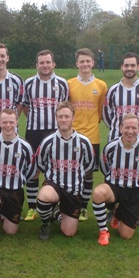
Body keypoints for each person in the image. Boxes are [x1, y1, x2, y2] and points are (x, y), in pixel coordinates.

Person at [91, 114, 139, 246]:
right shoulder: (110, 147)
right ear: (121, 128)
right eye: (127, 127)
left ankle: (118, 213)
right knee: (98, 193)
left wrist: (137, 180)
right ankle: (103, 231)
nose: (130, 131)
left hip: (134, 192)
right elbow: (105, 168)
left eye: (134, 128)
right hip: (114, 187)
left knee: (126, 235)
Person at [21, 49, 69, 222]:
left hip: (55, 133)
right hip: (34, 131)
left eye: (48, 62)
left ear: (53, 64)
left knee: (55, 169)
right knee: (33, 169)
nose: (45, 65)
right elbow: (25, 106)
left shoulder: (62, 84)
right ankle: (32, 207)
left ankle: (54, 204)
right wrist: (36, 119)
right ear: (37, 65)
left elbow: (65, 108)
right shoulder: (28, 83)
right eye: (42, 62)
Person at [35, 101, 94, 240]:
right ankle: (45, 223)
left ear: (73, 118)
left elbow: (89, 165)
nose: (63, 120)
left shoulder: (84, 142)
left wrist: (75, 174)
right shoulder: (48, 141)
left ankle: (57, 213)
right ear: (56, 118)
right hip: (54, 183)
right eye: (60, 116)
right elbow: (40, 163)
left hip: (74, 190)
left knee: (69, 232)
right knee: (44, 197)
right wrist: (51, 176)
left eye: (67, 116)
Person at [0, 108, 36, 246]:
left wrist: (19, 180)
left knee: (10, 231)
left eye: (11, 122)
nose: (8, 125)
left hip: (15, 191)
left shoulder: (25, 147)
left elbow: (31, 170)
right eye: (4, 122)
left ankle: (2, 211)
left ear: (17, 122)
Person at [67, 48, 108, 223]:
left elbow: (101, 112)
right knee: (69, 171)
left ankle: (83, 207)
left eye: (87, 61)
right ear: (77, 64)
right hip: (72, 136)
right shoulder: (68, 84)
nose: (85, 64)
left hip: (92, 137)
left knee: (88, 174)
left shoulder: (101, 85)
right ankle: (70, 205)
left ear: (93, 63)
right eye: (81, 61)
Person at [103, 52, 139, 143]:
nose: (129, 68)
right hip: (115, 140)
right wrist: (117, 127)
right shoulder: (112, 90)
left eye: (132, 65)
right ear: (121, 67)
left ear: (138, 67)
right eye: (126, 65)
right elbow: (106, 115)